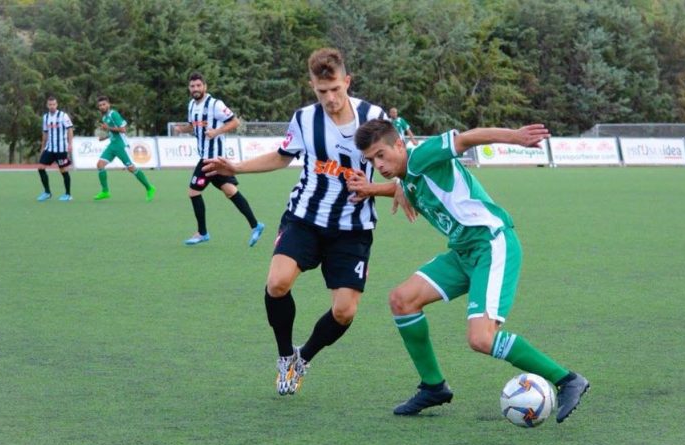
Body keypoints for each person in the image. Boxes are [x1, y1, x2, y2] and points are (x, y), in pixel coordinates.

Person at [351, 119, 589, 422]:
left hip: (490, 244)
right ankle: (433, 387)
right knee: (402, 299)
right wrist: (373, 189)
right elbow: (407, 187)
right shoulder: (408, 178)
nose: (378, 163)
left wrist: (515, 137)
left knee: (481, 338)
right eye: (371, 160)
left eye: (381, 154)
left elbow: (466, 139)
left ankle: (567, 379)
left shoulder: (422, 156)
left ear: (399, 144)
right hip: (463, 252)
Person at [203, 48, 408, 396]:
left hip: (353, 229)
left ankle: (303, 358)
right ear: (312, 86)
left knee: (344, 312)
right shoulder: (304, 119)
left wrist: (384, 188)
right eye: (320, 91)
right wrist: (237, 167)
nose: (329, 98)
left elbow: (403, 165)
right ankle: (285, 356)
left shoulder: (373, 117)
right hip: (305, 217)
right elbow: (282, 157)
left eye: (335, 90)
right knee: (277, 283)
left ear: (347, 81)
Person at [174, 72, 264, 246]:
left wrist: (216, 132)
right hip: (209, 158)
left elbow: (235, 122)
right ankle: (256, 225)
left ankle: (202, 233)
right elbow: (193, 126)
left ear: (205, 86)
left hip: (213, 159)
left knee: (193, 192)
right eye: (192, 86)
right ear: (189, 88)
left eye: (198, 85)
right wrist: (181, 129)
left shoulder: (215, 104)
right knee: (230, 191)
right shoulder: (192, 105)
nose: (195, 89)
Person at [93, 96, 155, 201]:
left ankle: (149, 188)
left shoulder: (114, 114)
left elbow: (123, 129)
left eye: (104, 104)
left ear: (108, 104)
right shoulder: (104, 118)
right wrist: (105, 137)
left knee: (131, 168)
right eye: (100, 105)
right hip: (112, 145)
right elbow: (113, 131)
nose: (102, 107)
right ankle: (105, 192)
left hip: (121, 145)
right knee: (100, 164)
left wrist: (108, 128)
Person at [36, 96, 74, 201]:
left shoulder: (63, 116)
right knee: (40, 168)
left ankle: (68, 194)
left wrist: (70, 144)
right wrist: (43, 147)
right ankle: (47, 192)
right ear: (47, 105)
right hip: (49, 148)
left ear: (56, 105)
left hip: (61, 149)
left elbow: (70, 129)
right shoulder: (45, 117)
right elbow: (45, 132)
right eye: (50, 104)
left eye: (53, 104)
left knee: (63, 171)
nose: (52, 106)